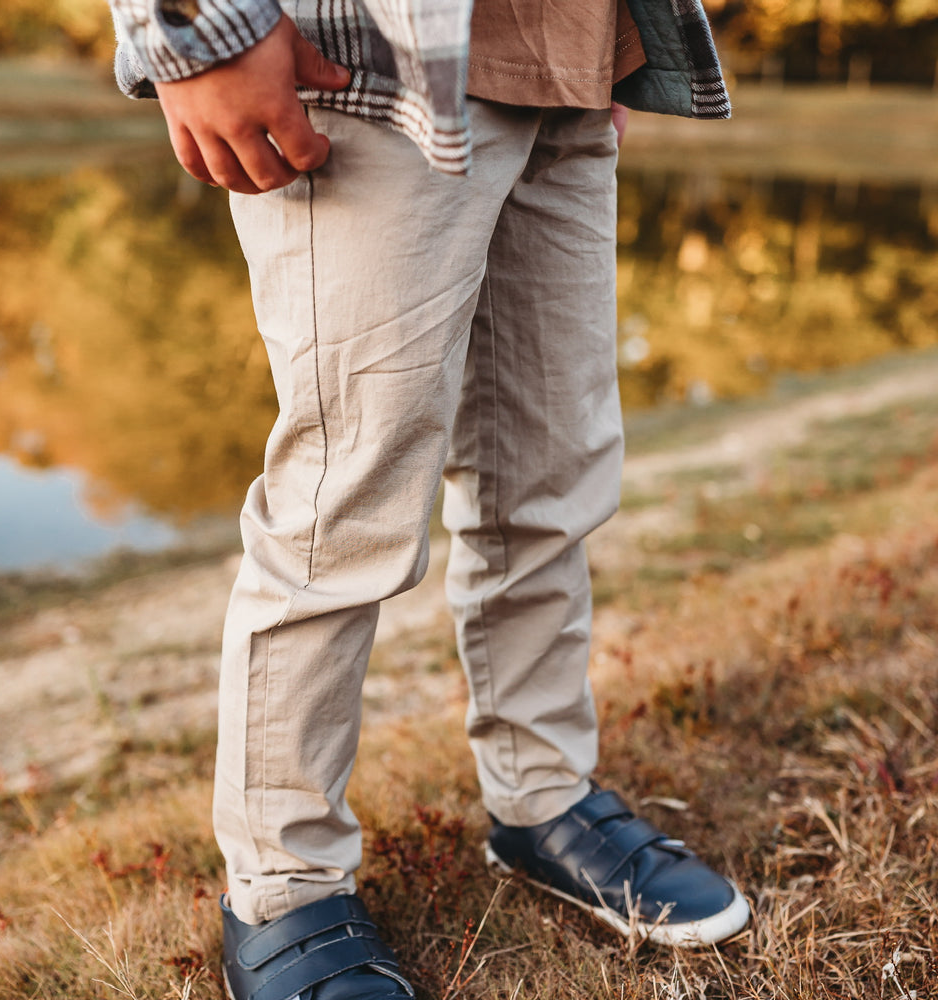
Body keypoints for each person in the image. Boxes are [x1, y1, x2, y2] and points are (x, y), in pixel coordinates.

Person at [107, 0, 751, 996]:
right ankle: (282, 885)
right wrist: (193, 30)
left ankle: (542, 796)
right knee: (344, 504)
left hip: (565, 74)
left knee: (549, 476)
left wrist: (596, 54)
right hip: (363, 71)